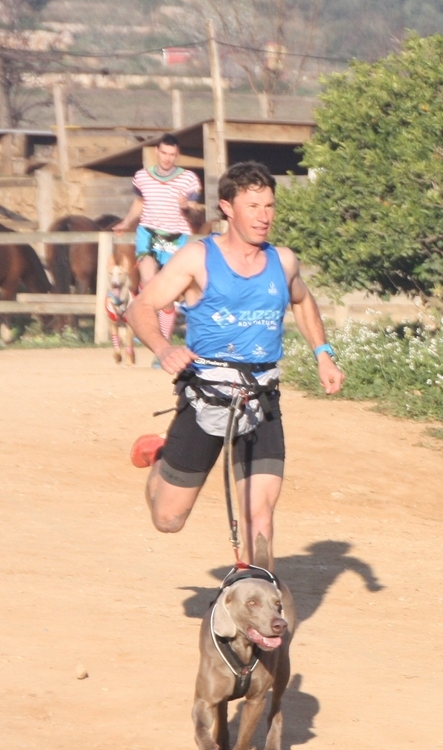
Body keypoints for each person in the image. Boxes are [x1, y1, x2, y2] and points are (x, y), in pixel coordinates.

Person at [127, 162, 345, 570]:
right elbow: (141, 306)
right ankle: (161, 455)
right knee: (168, 519)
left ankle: (256, 601)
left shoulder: (283, 261)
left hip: (262, 399)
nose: (264, 217)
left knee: (259, 519)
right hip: (205, 395)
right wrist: (163, 348)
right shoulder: (197, 257)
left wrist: (323, 354)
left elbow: (302, 300)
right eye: (253, 206)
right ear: (227, 207)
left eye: (269, 206)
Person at [121, 132, 204, 344]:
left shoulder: (188, 179)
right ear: (157, 151)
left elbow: (196, 213)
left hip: (175, 237)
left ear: (177, 155)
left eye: (172, 154)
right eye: (164, 153)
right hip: (148, 233)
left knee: (167, 291)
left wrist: (186, 207)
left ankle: (162, 339)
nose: (167, 158)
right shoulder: (141, 176)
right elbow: (139, 202)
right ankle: (144, 322)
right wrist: (126, 222)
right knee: (148, 278)